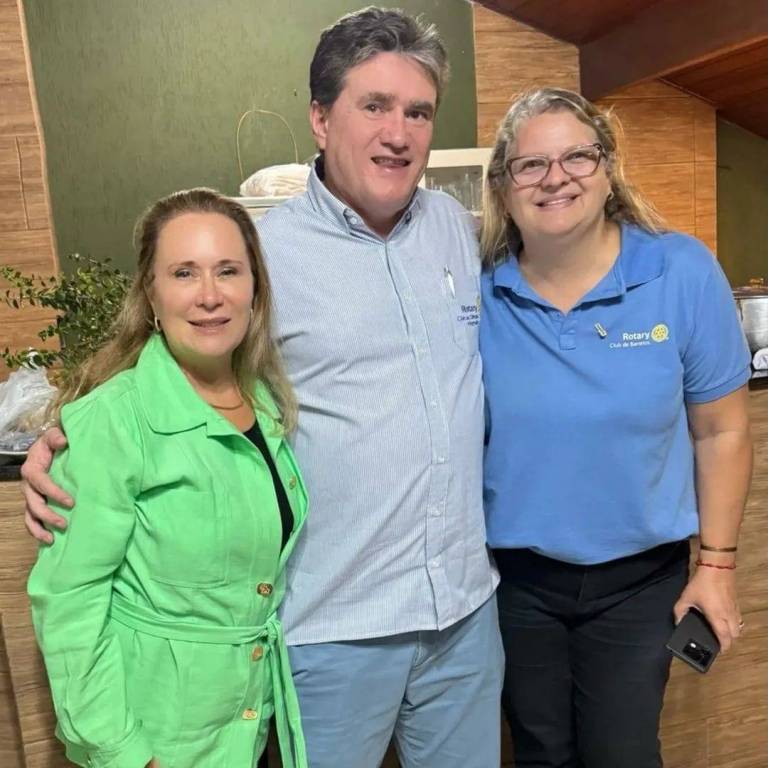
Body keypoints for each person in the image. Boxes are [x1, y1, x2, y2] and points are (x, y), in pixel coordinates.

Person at [22, 9, 503, 768]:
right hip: (335, 626)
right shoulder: (262, 257)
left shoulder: (455, 228)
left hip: (465, 617)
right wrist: (62, 441)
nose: (399, 133)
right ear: (321, 117)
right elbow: (170, 365)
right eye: (374, 106)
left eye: (418, 112)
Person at [479, 87, 753, 768]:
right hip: (514, 582)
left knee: (622, 753)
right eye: (531, 165)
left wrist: (717, 567)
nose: (556, 178)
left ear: (607, 169)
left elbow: (721, 432)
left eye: (577, 157)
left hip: (639, 581)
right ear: (504, 187)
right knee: (540, 752)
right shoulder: (477, 289)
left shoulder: (680, 270)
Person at [27, 189, 308, 768]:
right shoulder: (113, 419)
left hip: (249, 725)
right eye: (184, 273)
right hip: (157, 742)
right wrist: (127, 755)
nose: (209, 295)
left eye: (228, 271)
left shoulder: (266, 402)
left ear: (255, 289)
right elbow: (69, 605)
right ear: (151, 294)